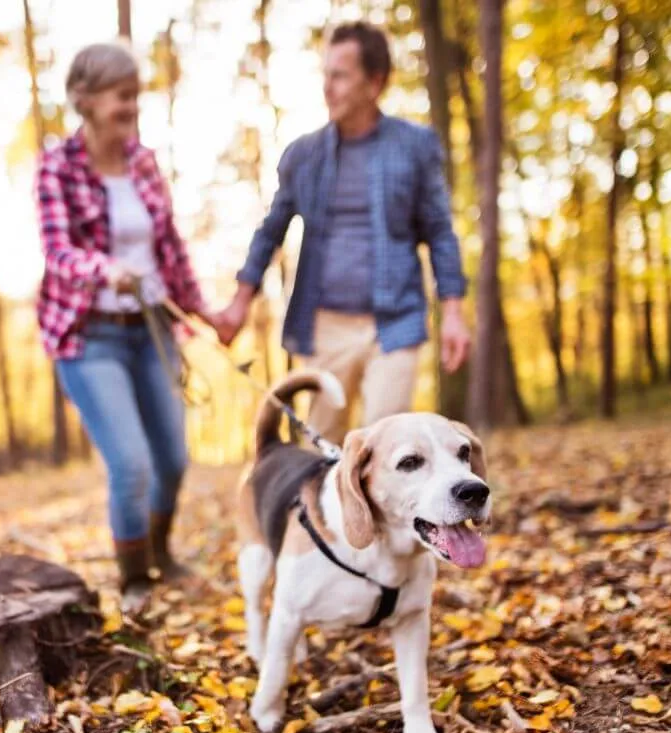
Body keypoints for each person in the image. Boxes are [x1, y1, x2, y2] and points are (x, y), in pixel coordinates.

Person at [212, 21, 472, 444]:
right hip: (325, 324)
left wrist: (455, 315)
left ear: (375, 82)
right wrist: (240, 303)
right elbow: (270, 231)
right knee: (324, 449)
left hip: (395, 322)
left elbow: (441, 233)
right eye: (325, 75)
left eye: (340, 75)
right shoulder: (303, 155)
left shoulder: (415, 147)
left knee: (388, 444)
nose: (327, 87)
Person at [35, 42, 218, 611]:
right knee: (131, 464)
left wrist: (205, 312)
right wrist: (102, 269)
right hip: (89, 336)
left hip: (153, 330)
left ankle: (161, 553)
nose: (131, 106)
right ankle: (135, 579)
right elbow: (58, 251)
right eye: (121, 96)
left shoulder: (143, 162)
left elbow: (170, 249)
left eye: (135, 95)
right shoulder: (56, 166)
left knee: (172, 460)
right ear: (85, 100)